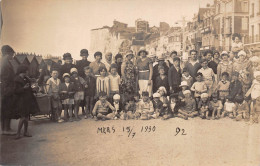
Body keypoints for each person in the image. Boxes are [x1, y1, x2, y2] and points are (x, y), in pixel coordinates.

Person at [13, 65, 40, 139]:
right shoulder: (16, 80)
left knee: (26, 117)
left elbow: (29, 88)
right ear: (23, 71)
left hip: (28, 100)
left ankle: (25, 132)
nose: (27, 72)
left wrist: (33, 89)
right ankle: (18, 133)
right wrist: (23, 88)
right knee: (23, 117)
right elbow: (15, 91)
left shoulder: (26, 78)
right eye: (26, 71)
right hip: (21, 101)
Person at [1, 45, 16, 135]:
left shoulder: (5, 62)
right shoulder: (4, 63)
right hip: (6, 89)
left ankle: (6, 128)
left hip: (6, 88)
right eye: (11, 54)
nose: (12, 56)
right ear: (7, 54)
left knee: (6, 109)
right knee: (7, 109)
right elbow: (5, 77)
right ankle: (6, 129)